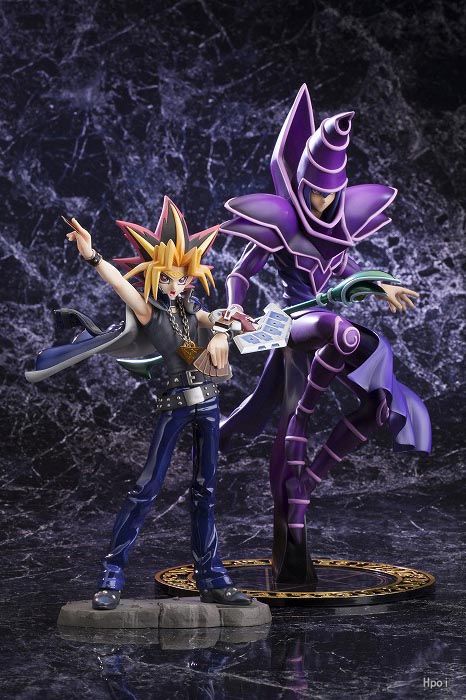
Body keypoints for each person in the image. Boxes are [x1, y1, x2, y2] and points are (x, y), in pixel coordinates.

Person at [219, 85, 431, 587]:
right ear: (300, 183)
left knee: (380, 400)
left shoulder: (340, 226)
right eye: (315, 192)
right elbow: (241, 271)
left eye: (330, 194)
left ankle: (306, 486)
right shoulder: (282, 221)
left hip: (324, 326)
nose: (322, 201)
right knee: (338, 334)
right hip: (291, 323)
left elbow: (346, 272)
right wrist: (234, 305)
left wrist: (379, 284)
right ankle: (300, 426)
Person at [54, 196, 251, 609]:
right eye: (167, 279)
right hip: (175, 403)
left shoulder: (192, 308)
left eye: (182, 279)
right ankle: (111, 576)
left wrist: (223, 329)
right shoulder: (150, 313)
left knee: (206, 491)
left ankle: (212, 578)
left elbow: (220, 317)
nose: (175, 286)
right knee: (146, 488)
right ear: (155, 277)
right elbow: (119, 284)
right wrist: (92, 256)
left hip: (209, 403)